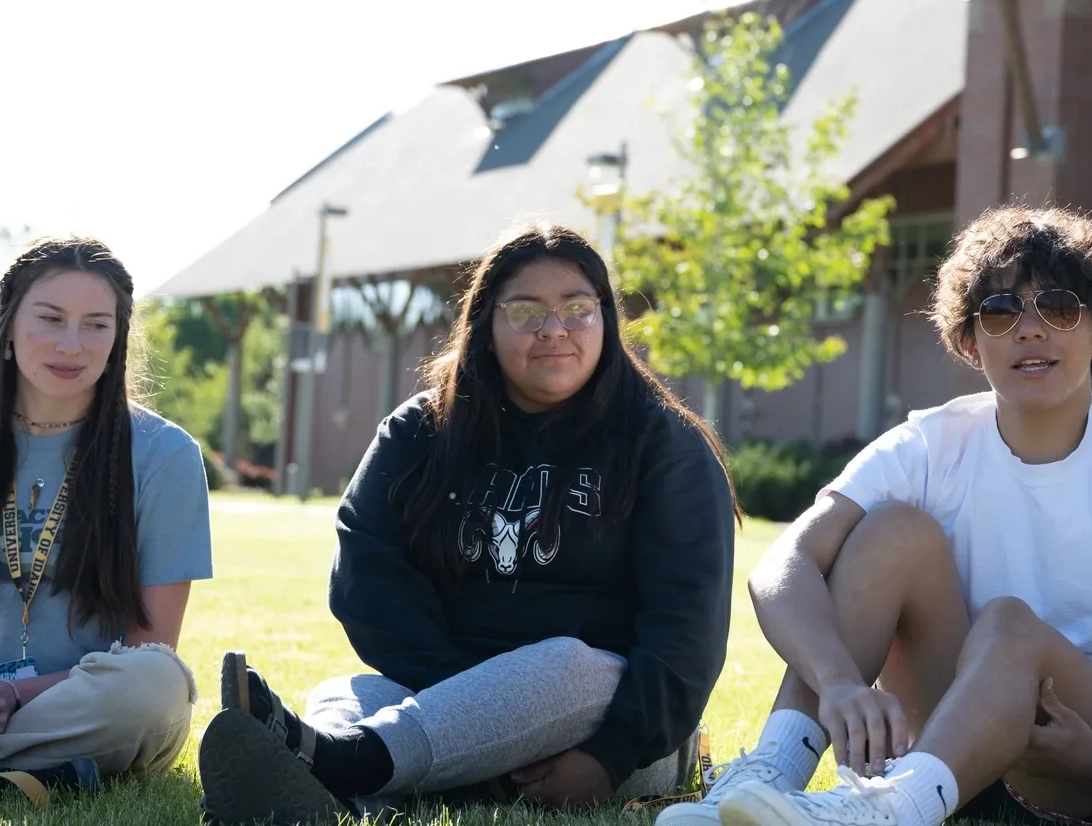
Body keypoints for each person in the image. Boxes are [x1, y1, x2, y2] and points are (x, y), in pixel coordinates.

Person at [661, 205, 1092, 826]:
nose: (1030, 330)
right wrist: (838, 681)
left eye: (1058, 308)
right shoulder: (930, 444)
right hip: (958, 749)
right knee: (892, 533)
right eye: (1001, 313)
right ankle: (771, 775)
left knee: (1009, 627)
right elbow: (785, 563)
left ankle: (886, 812)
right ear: (971, 343)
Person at [197, 224, 736, 824]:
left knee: (569, 663)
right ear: (486, 322)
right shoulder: (421, 431)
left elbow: (688, 625)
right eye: (526, 310)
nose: (553, 328)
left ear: (607, 320)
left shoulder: (665, 445)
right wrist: (463, 705)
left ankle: (337, 766)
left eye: (577, 308)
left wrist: (609, 757)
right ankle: (323, 784)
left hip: (612, 726)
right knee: (349, 694)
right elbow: (367, 573)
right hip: (438, 701)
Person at [0, 236, 211, 786]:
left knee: (156, 683)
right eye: (51, 318)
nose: (71, 345)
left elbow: (151, 642)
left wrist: (11, 695)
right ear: (7, 324)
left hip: (83, 702)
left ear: (118, 337)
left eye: (97, 324)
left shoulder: (165, 454)